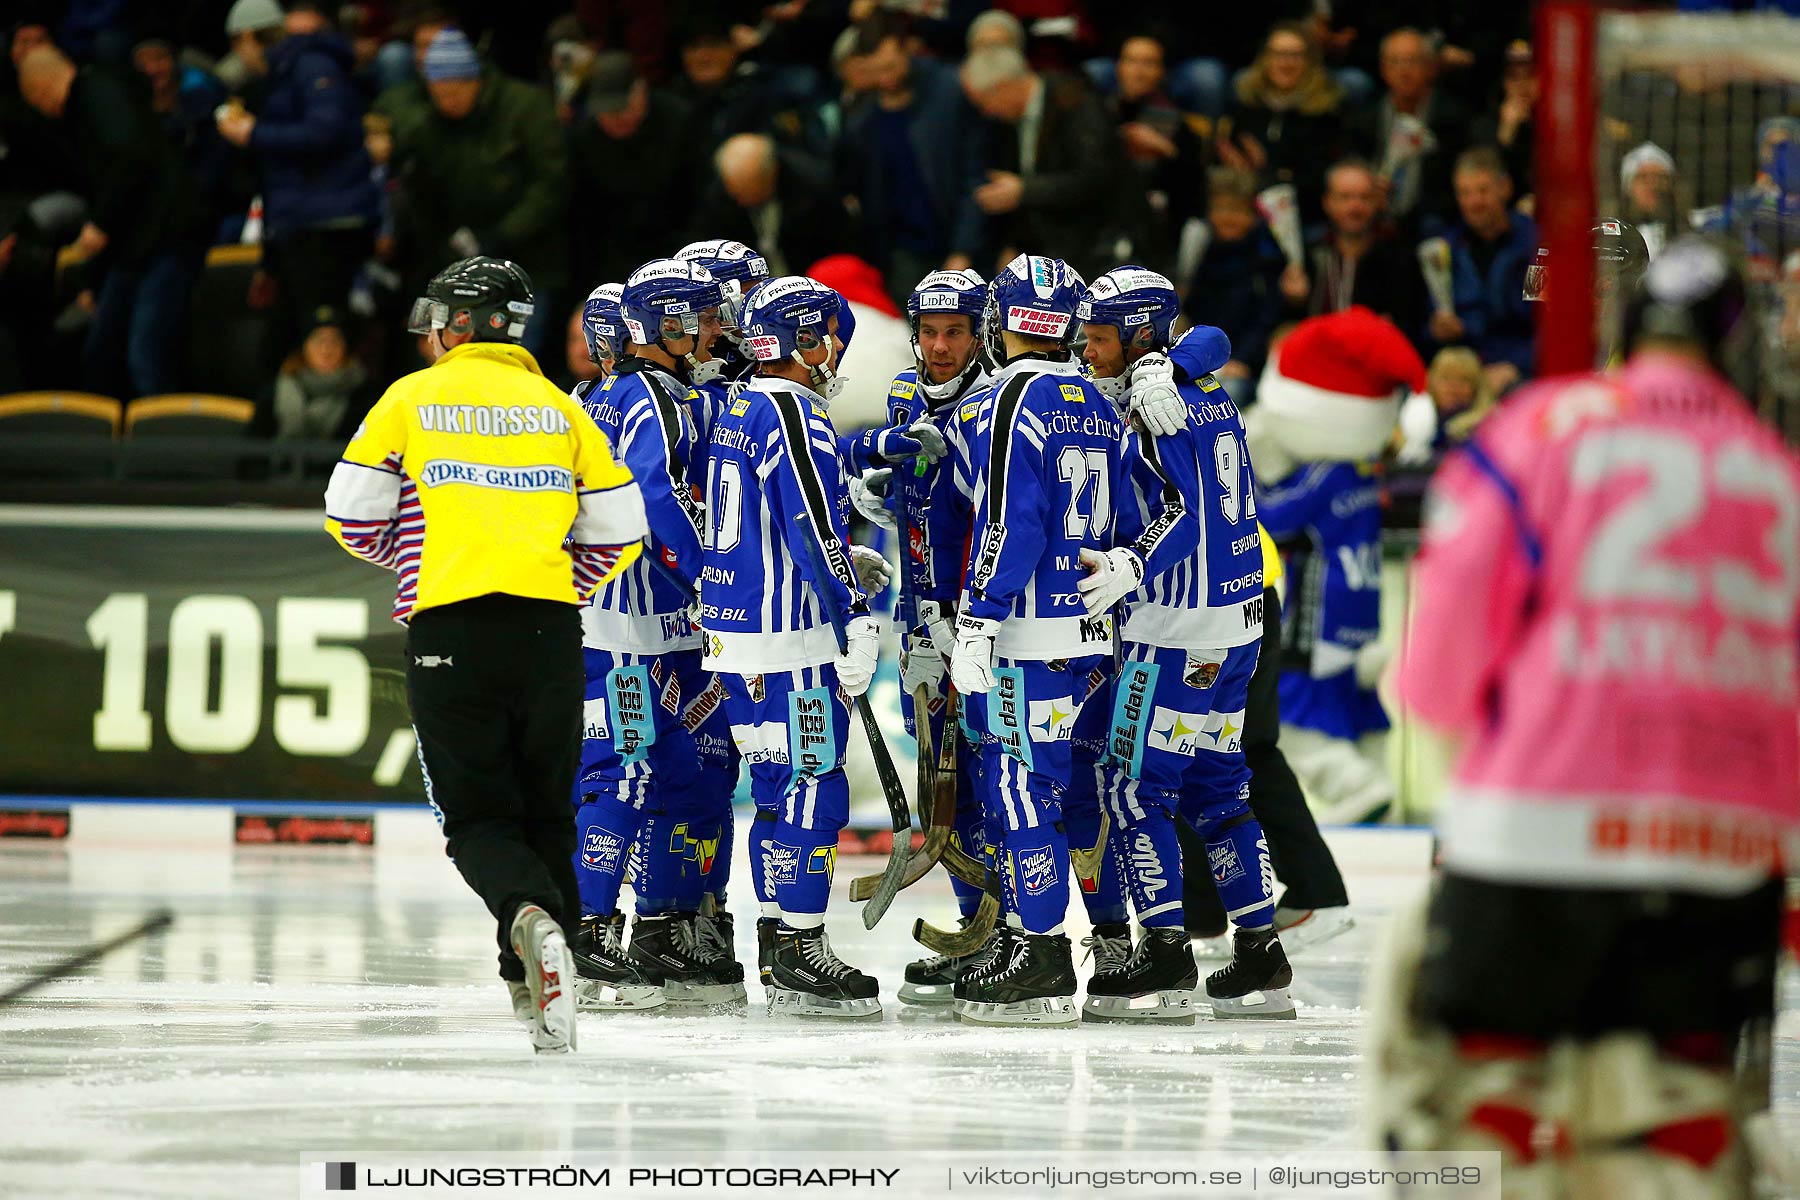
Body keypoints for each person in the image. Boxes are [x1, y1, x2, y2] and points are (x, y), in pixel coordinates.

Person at [1377, 237, 1799, 1194]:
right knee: (1683, 1092)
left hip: (1537, 831)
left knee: (1487, 1083)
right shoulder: (1774, 468)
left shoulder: (1540, 429)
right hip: (1720, 850)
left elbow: (1440, 664)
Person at [323, 256, 650, 1054]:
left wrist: (422, 557)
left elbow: (347, 514)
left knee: (477, 819)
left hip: (451, 631)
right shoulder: (559, 408)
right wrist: (556, 583)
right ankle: (537, 987)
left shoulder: (412, 396)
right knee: (547, 816)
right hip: (548, 633)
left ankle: (527, 923)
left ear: (459, 325)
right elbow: (620, 532)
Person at [1074, 268, 1293, 1021]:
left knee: (1133, 788)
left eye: (1100, 338)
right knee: (1219, 789)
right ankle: (1261, 950)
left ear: (1140, 336)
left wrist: (1133, 563)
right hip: (1237, 623)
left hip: (1175, 629)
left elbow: (1185, 513)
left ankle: (1165, 956)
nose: (1086, 350)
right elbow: (1213, 338)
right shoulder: (1197, 383)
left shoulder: (1153, 399)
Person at [699, 275, 886, 1019]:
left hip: (734, 637)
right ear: (807, 342)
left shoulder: (740, 405)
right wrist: (856, 610)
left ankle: (779, 942)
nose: (837, 347)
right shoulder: (795, 411)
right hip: (792, 636)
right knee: (815, 784)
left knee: (776, 793)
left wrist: (845, 555)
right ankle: (800, 947)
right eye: (829, 334)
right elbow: (809, 529)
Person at [945, 254, 1120, 1027]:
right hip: (1091, 630)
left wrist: (979, 614)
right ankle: (1110, 942)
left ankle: (1039, 950)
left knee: (1020, 788)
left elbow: (1010, 522)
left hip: (1028, 629)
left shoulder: (1013, 396)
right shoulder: (1096, 399)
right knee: (1074, 791)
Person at [568, 258, 747, 1010]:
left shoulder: (636, 391)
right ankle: (587, 933)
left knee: (675, 775)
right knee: (628, 773)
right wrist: (709, 579)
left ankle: (659, 929)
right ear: (661, 325)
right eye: (694, 319)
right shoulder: (643, 396)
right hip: (630, 628)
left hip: (649, 625)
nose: (708, 330)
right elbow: (653, 498)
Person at [846, 267, 993, 1006]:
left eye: (955, 332)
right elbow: (861, 450)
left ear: (982, 331)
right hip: (919, 618)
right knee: (944, 781)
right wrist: (876, 465)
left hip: (989, 624)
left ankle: (1019, 935)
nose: (940, 347)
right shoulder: (905, 390)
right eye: (929, 332)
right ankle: (979, 932)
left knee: (998, 782)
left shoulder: (1004, 393)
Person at [1250, 308, 1426, 826]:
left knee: (1288, 714)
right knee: (1354, 706)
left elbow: (1272, 519)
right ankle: (1381, 791)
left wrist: (1247, 475)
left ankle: (1360, 786)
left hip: (1316, 619)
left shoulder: (1323, 473)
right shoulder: (1362, 471)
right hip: (1359, 618)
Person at [17, 43, 207, 400]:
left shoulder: (98, 92)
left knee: (146, 356)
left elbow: (130, 158)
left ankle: (169, 449)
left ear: (39, 90)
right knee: (102, 355)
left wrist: (100, 225)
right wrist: (93, 280)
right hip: (134, 246)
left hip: (165, 237)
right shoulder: (90, 106)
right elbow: (110, 187)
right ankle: (113, 450)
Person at [387, 29, 569, 362]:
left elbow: (551, 184)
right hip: (463, 264)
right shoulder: (429, 128)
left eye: (455, 91)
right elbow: (425, 199)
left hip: (530, 264)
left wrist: (502, 235)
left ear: (476, 81)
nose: (448, 101)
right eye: (438, 94)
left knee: (513, 361)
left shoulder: (525, 108)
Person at [217, 1, 379, 369]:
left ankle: (334, 424)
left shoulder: (311, 66)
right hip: (301, 222)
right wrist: (271, 259)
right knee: (285, 337)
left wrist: (253, 133)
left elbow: (327, 131)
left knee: (321, 336)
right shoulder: (284, 72)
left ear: (246, 38)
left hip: (330, 221)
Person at [837, 13, 987, 300]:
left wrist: (963, 249)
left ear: (909, 50)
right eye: (876, 70)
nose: (886, 77)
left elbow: (974, 173)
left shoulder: (949, 91)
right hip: (900, 253)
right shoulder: (860, 113)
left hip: (958, 241)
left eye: (891, 66)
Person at [959, 45, 1115, 279]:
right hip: (1047, 252)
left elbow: (1096, 178)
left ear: (1004, 87)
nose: (987, 112)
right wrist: (1015, 246)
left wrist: (1025, 190)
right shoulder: (1009, 125)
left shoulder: (1075, 101)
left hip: (1095, 252)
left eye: (984, 102)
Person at [568, 51, 701, 290]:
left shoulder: (680, 121)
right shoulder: (584, 137)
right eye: (606, 112)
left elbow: (699, 204)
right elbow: (585, 221)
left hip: (681, 250)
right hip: (615, 259)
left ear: (641, 90)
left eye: (623, 107)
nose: (616, 118)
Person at [1285, 157, 1427, 344]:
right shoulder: (1307, 253)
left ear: (1378, 201)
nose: (1355, 207)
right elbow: (1284, 325)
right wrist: (1292, 301)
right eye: (1345, 197)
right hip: (1314, 358)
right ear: (1327, 202)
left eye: (1364, 197)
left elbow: (1412, 326)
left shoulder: (1400, 255)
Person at [1345, 27, 1472, 234]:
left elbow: (1455, 186)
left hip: (1432, 220)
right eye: (1395, 62)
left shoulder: (1453, 120)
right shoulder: (1362, 120)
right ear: (1383, 69)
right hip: (1370, 215)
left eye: (1412, 61)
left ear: (1431, 68)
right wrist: (1368, 187)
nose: (1404, 71)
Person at [1430, 147, 1537, 393]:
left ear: (1506, 188)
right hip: (1460, 372)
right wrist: (1436, 328)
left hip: (1518, 372)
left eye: (1483, 190)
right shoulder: (1445, 249)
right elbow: (1428, 323)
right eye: (1465, 193)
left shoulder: (1536, 248)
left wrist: (1515, 365)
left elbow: (1546, 324)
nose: (1474, 202)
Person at [1216, 22, 1346, 223]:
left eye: (1295, 55)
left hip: (1302, 218)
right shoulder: (1245, 106)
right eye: (1277, 54)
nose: (1285, 63)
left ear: (1310, 61)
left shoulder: (1326, 116)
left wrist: (1264, 171)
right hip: (1244, 218)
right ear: (1265, 59)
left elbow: (1318, 182)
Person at [1104, 30, 1207, 280]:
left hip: (1157, 230)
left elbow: (1194, 193)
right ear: (1119, 67)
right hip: (1102, 220)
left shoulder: (1178, 124)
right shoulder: (1096, 114)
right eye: (1132, 61)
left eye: (1148, 63)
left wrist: (1166, 150)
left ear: (1161, 72)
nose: (1139, 70)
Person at [1182, 167, 1287, 403]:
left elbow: (1266, 321)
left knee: (1226, 395)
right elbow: (1191, 312)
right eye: (1220, 209)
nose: (1228, 218)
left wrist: (1241, 360)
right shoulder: (1201, 253)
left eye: (1237, 210)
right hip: (1201, 361)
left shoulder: (1267, 257)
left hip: (1246, 365)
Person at [686, 132, 849, 280]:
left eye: (748, 190)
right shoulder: (720, 198)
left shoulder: (814, 191)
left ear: (772, 172)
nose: (741, 201)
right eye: (736, 194)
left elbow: (840, 252)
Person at [273, 305, 368, 441]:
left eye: (335, 340)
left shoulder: (364, 397)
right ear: (304, 346)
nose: (326, 349)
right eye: (318, 340)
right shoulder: (275, 392)